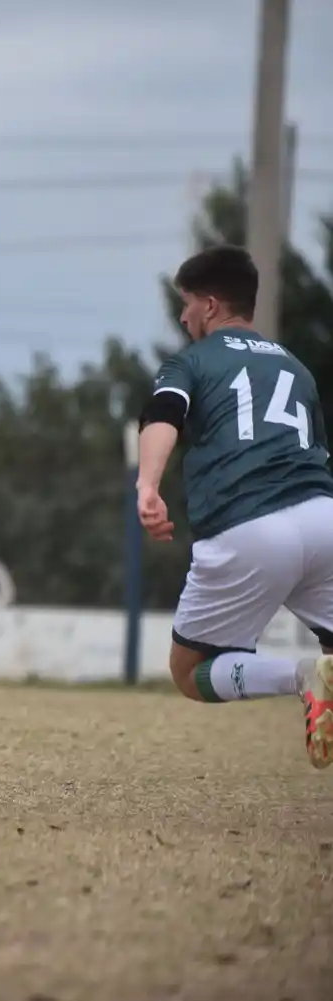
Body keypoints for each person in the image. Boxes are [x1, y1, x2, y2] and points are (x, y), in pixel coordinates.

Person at [136, 244, 333, 768]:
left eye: (187, 303)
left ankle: (301, 677)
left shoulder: (193, 361)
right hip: (324, 519)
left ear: (211, 305)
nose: (183, 316)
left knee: (190, 670)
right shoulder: (297, 368)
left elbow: (163, 412)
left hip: (248, 527)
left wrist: (147, 485)